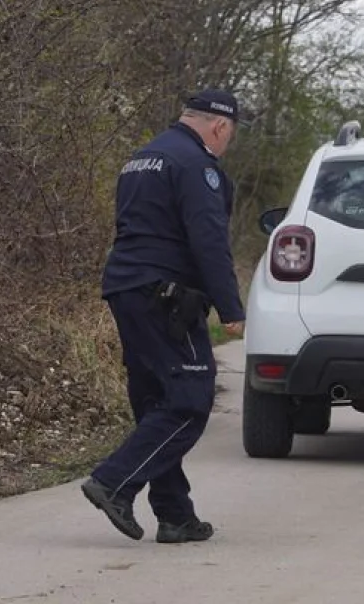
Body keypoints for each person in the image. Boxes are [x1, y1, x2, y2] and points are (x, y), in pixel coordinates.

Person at [80, 88, 246, 544]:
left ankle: (175, 515)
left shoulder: (143, 157)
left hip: (125, 287)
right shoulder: (197, 165)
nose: (226, 142)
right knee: (189, 400)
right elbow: (208, 239)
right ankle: (114, 482)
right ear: (219, 126)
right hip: (165, 297)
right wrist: (231, 308)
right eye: (229, 135)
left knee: (157, 402)